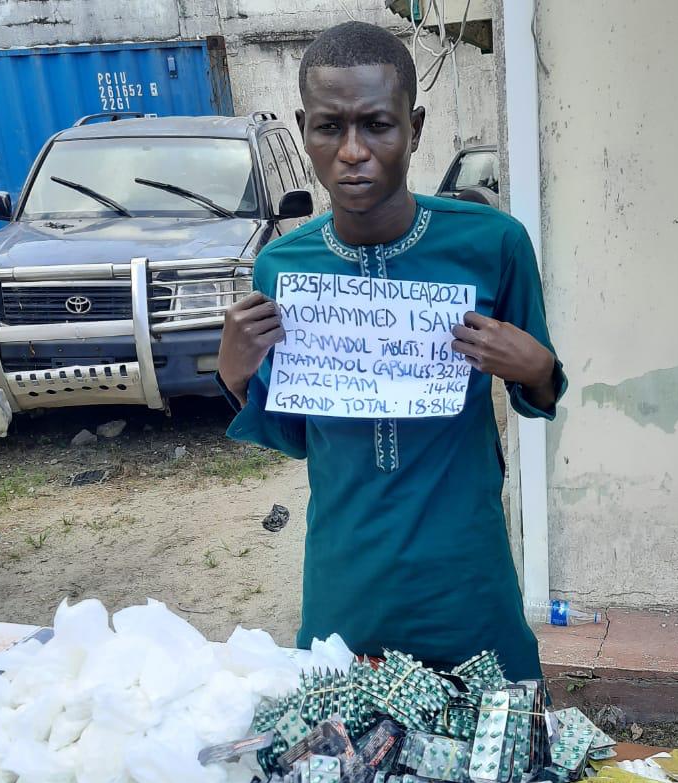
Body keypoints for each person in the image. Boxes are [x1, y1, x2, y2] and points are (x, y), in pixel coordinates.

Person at [217, 21, 566, 681]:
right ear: (303, 127)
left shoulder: (493, 245)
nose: (352, 151)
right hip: (345, 581)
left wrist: (539, 369)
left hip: (464, 577)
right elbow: (298, 433)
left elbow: (539, 396)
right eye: (328, 127)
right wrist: (237, 378)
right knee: (349, 771)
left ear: (415, 127)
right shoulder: (283, 270)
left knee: (497, 762)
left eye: (376, 124)